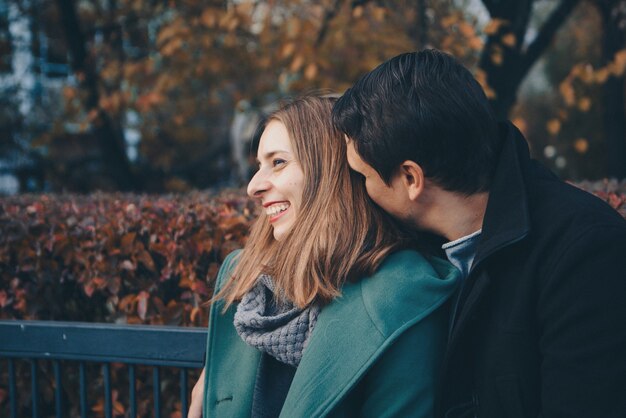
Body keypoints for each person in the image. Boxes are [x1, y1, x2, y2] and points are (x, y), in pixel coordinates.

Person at [331, 49, 626, 417]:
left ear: (411, 178)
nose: (362, 191)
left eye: (363, 177)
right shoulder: (416, 252)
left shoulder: (585, 252)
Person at [187, 95, 460, 418]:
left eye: (278, 162)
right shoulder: (246, 280)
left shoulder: (402, 293)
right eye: (258, 166)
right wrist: (215, 371)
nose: (253, 186)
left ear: (329, 172)